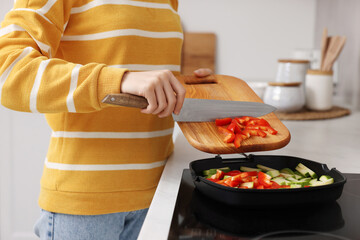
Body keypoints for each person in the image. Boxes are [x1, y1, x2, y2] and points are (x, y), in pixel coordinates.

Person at [0, 0, 212, 239]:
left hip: (161, 194)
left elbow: (141, 74)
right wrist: (116, 81)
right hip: (85, 209)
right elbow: (7, 71)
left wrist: (184, 88)